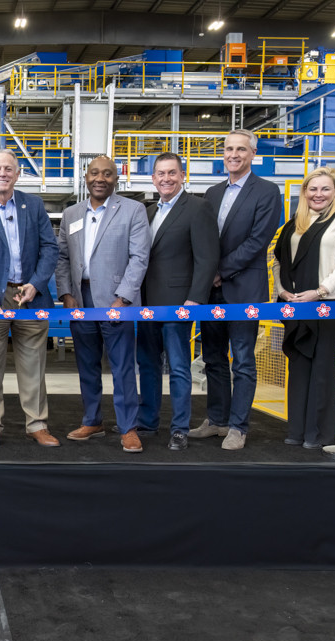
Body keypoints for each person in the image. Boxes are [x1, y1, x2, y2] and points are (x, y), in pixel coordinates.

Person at [0, 149, 60, 448]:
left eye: (8, 169)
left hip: (30, 293)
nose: (2, 173)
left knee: (33, 363)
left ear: (17, 174)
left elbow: (50, 249)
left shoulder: (35, 205)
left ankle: (37, 424)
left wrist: (35, 284)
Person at [191, 129, 282, 450]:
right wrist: (206, 276)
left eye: (240, 149)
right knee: (213, 359)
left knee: (242, 361)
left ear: (252, 154)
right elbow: (204, 240)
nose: (233, 155)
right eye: (229, 149)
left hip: (243, 290)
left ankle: (238, 427)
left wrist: (220, 272)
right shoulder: (212, 193)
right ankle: (217, 420)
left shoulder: (268, 192)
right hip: (211, 292)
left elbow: (258, 242)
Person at [56, 155, 150, 452]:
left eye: (107, 174)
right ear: (86, 177)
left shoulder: (133, 211)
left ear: (115, 179)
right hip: (80, 301)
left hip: (115, 301)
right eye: (94, 173)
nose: (100, 178)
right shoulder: (71, 214)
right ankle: (92, 420)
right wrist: (66, 295)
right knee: (86, 366)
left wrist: (124, 298)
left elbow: (139, 257)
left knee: (122, 367)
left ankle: (128, 428)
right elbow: (62, 258)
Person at [136, 153, 219, 451]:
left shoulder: (198, 208)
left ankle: (180, 429)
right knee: (146, 364)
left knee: (179, 368)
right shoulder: (145, 212)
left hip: (178, 303)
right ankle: (147, 422)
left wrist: (196, 298)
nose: (166, 178)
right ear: (153, 178)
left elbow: (207, 257)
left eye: (172, 173)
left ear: (182, 176)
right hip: (145, 304)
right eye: (160, 173)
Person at [273, 167, 335, 449]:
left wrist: (319, 291)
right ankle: (297, 430)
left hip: (327, 306)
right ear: (304, 193)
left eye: (324, 189)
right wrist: (282, 291)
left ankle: (319, 434)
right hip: (296, 305)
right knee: (298, 370)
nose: (318, 194)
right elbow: (278, 262)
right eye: (312, 189)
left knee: (322, 370)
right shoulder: (294, 224)